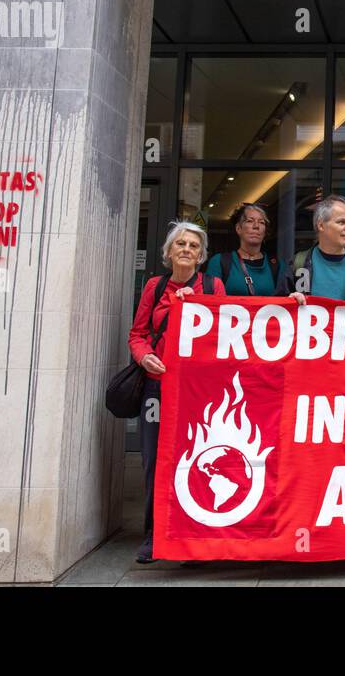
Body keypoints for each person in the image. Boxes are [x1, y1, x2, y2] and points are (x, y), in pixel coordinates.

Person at [127, 220, 223, 564]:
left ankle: (192, 533)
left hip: (197, 391)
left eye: (193, 246)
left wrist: (197, 304)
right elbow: (137, 334)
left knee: (193, 458)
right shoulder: (155, 287)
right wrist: (144, 356)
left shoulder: (213, 286)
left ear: (201, 256)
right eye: (180, 244)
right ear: (169, 253)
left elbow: (224, 335)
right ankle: (156, 533)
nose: (186, 249)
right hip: (158, 386)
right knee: (156, 459)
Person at [278, 195, 345, 302]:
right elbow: (277, 310)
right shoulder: (298, 264)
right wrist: (289, 301)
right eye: (341, 222)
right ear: (321, 225)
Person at [207, 202, 280, 296]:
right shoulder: (220, 262)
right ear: (238, 228)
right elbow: (208, 300)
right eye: (250, 221)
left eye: (261, 222)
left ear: (265, 231)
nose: (256, 226)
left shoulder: (276, 265)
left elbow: (285, 297)